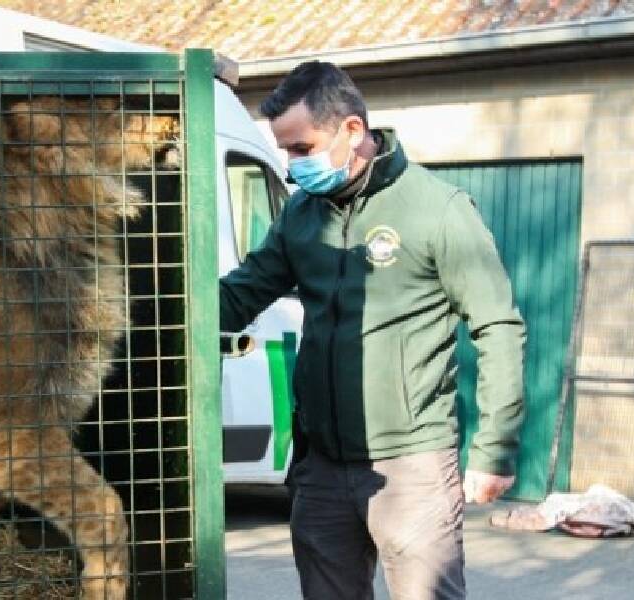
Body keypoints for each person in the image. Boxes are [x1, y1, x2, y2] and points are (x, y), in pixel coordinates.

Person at [220, 60, 526, 599]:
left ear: (352, 131)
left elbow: (497, 326)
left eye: (301, 149)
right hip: (319, 464)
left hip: (412, 463)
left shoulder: (439, 210)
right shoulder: (302, 215)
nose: (292, 169)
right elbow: (241, 294)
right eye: (286, 151)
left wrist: (494, 448)